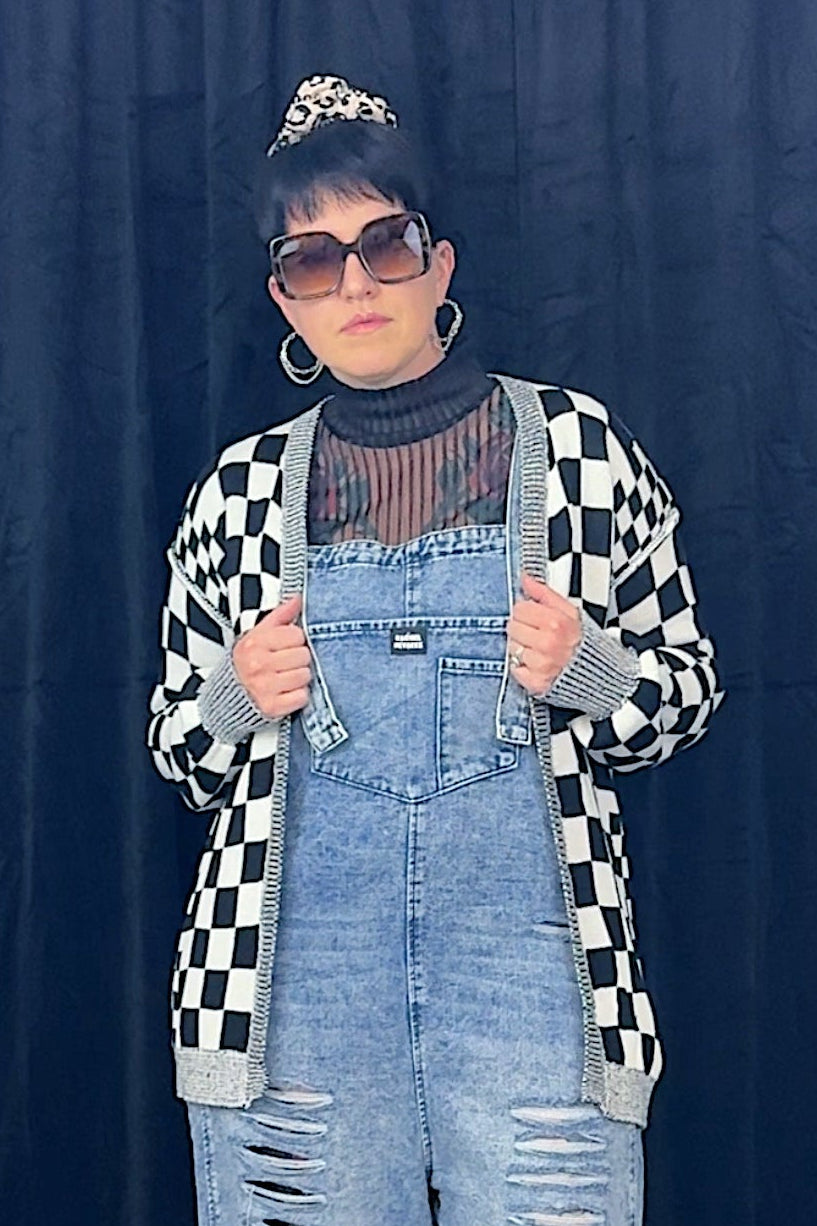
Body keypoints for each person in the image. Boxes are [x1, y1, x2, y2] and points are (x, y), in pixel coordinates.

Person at [147, 74, 725, 1226]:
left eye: (386, 244)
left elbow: (688, 699)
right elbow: (178, 754)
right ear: (283, 297)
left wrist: (593, 671)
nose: (356, 283)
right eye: (314, 259)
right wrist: (229, 698)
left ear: (439, 263)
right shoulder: (237, 493)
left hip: (536, 997)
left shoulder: (581, 455)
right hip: (289, 1001)